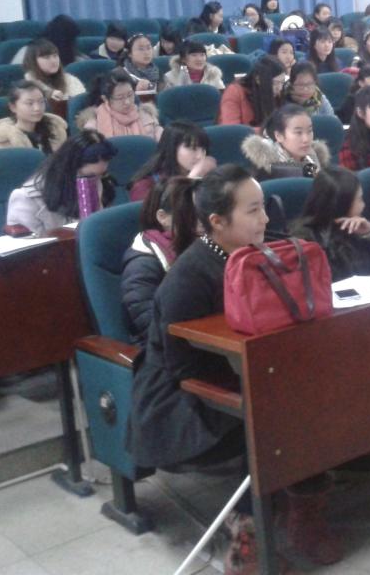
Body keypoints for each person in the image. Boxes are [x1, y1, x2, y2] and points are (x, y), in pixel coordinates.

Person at [129, 165, 343, 570]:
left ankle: (302, 515)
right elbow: (182, 366)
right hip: (178, 400)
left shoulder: (261, 254)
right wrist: (258, 387)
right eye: (253, 210)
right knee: (280, 415)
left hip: (249, 372)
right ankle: (248, 534)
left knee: (316, 398)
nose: (265, 218)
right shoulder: (188, 278)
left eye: (263, 207)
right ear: (217, 221)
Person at [120, 176, 200, 346]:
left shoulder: (208, 246)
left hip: (204, 341)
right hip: (163, 352)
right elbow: (152, 329)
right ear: (163, 217)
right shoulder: (142, 264)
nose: (201, 221)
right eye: (190, 213)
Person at [291, 167, 370, 281]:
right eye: (359, 199)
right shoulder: (307, 241)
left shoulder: (357, 227)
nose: (363, 205)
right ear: (342, 205)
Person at [6, 130, 116, 236]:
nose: (96, 181)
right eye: (89, 176)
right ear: (68, 169)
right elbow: (28, 245)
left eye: (101, 174)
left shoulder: (97, 182)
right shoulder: (25, 198)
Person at [129, 120, 215, 202]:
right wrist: (190, 180)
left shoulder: (205, 178)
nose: (200, 156)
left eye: (203, 149)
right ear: (172, 148)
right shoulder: (144, 186)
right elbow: (165, 211)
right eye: (192, 148)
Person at [241, 104, 330, 180]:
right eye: (298, 132)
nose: (306, 139)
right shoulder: (265, 169)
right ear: (279, 136)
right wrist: (314, 167)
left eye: (309, 131)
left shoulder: (313, 156)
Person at [0, 81, 68, 153]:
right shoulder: (4, 139)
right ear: (13, 107)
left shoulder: (55, 129)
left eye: (41, 102)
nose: (37, 108)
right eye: (29, 103)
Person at [76, 70, 163, 140]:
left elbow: (162, 146)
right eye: (120, 97)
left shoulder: (146, 116)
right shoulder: (94, 122)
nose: (127, 102)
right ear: (105, 99)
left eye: (130, 95)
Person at [219, 55, 285, 131]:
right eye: (275, 83)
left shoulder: (277, 95)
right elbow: (232, 130)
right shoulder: (234, 92)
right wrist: (269, 132)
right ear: (258, 79)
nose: (279, 88)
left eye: (282, 83)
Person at [22, 39, 86, 100]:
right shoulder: (29, 82)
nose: (53, 61)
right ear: (33, 61)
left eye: (55, 56)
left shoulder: (70, 80)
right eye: (46, 57)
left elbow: (81, 103)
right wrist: (50, 93)